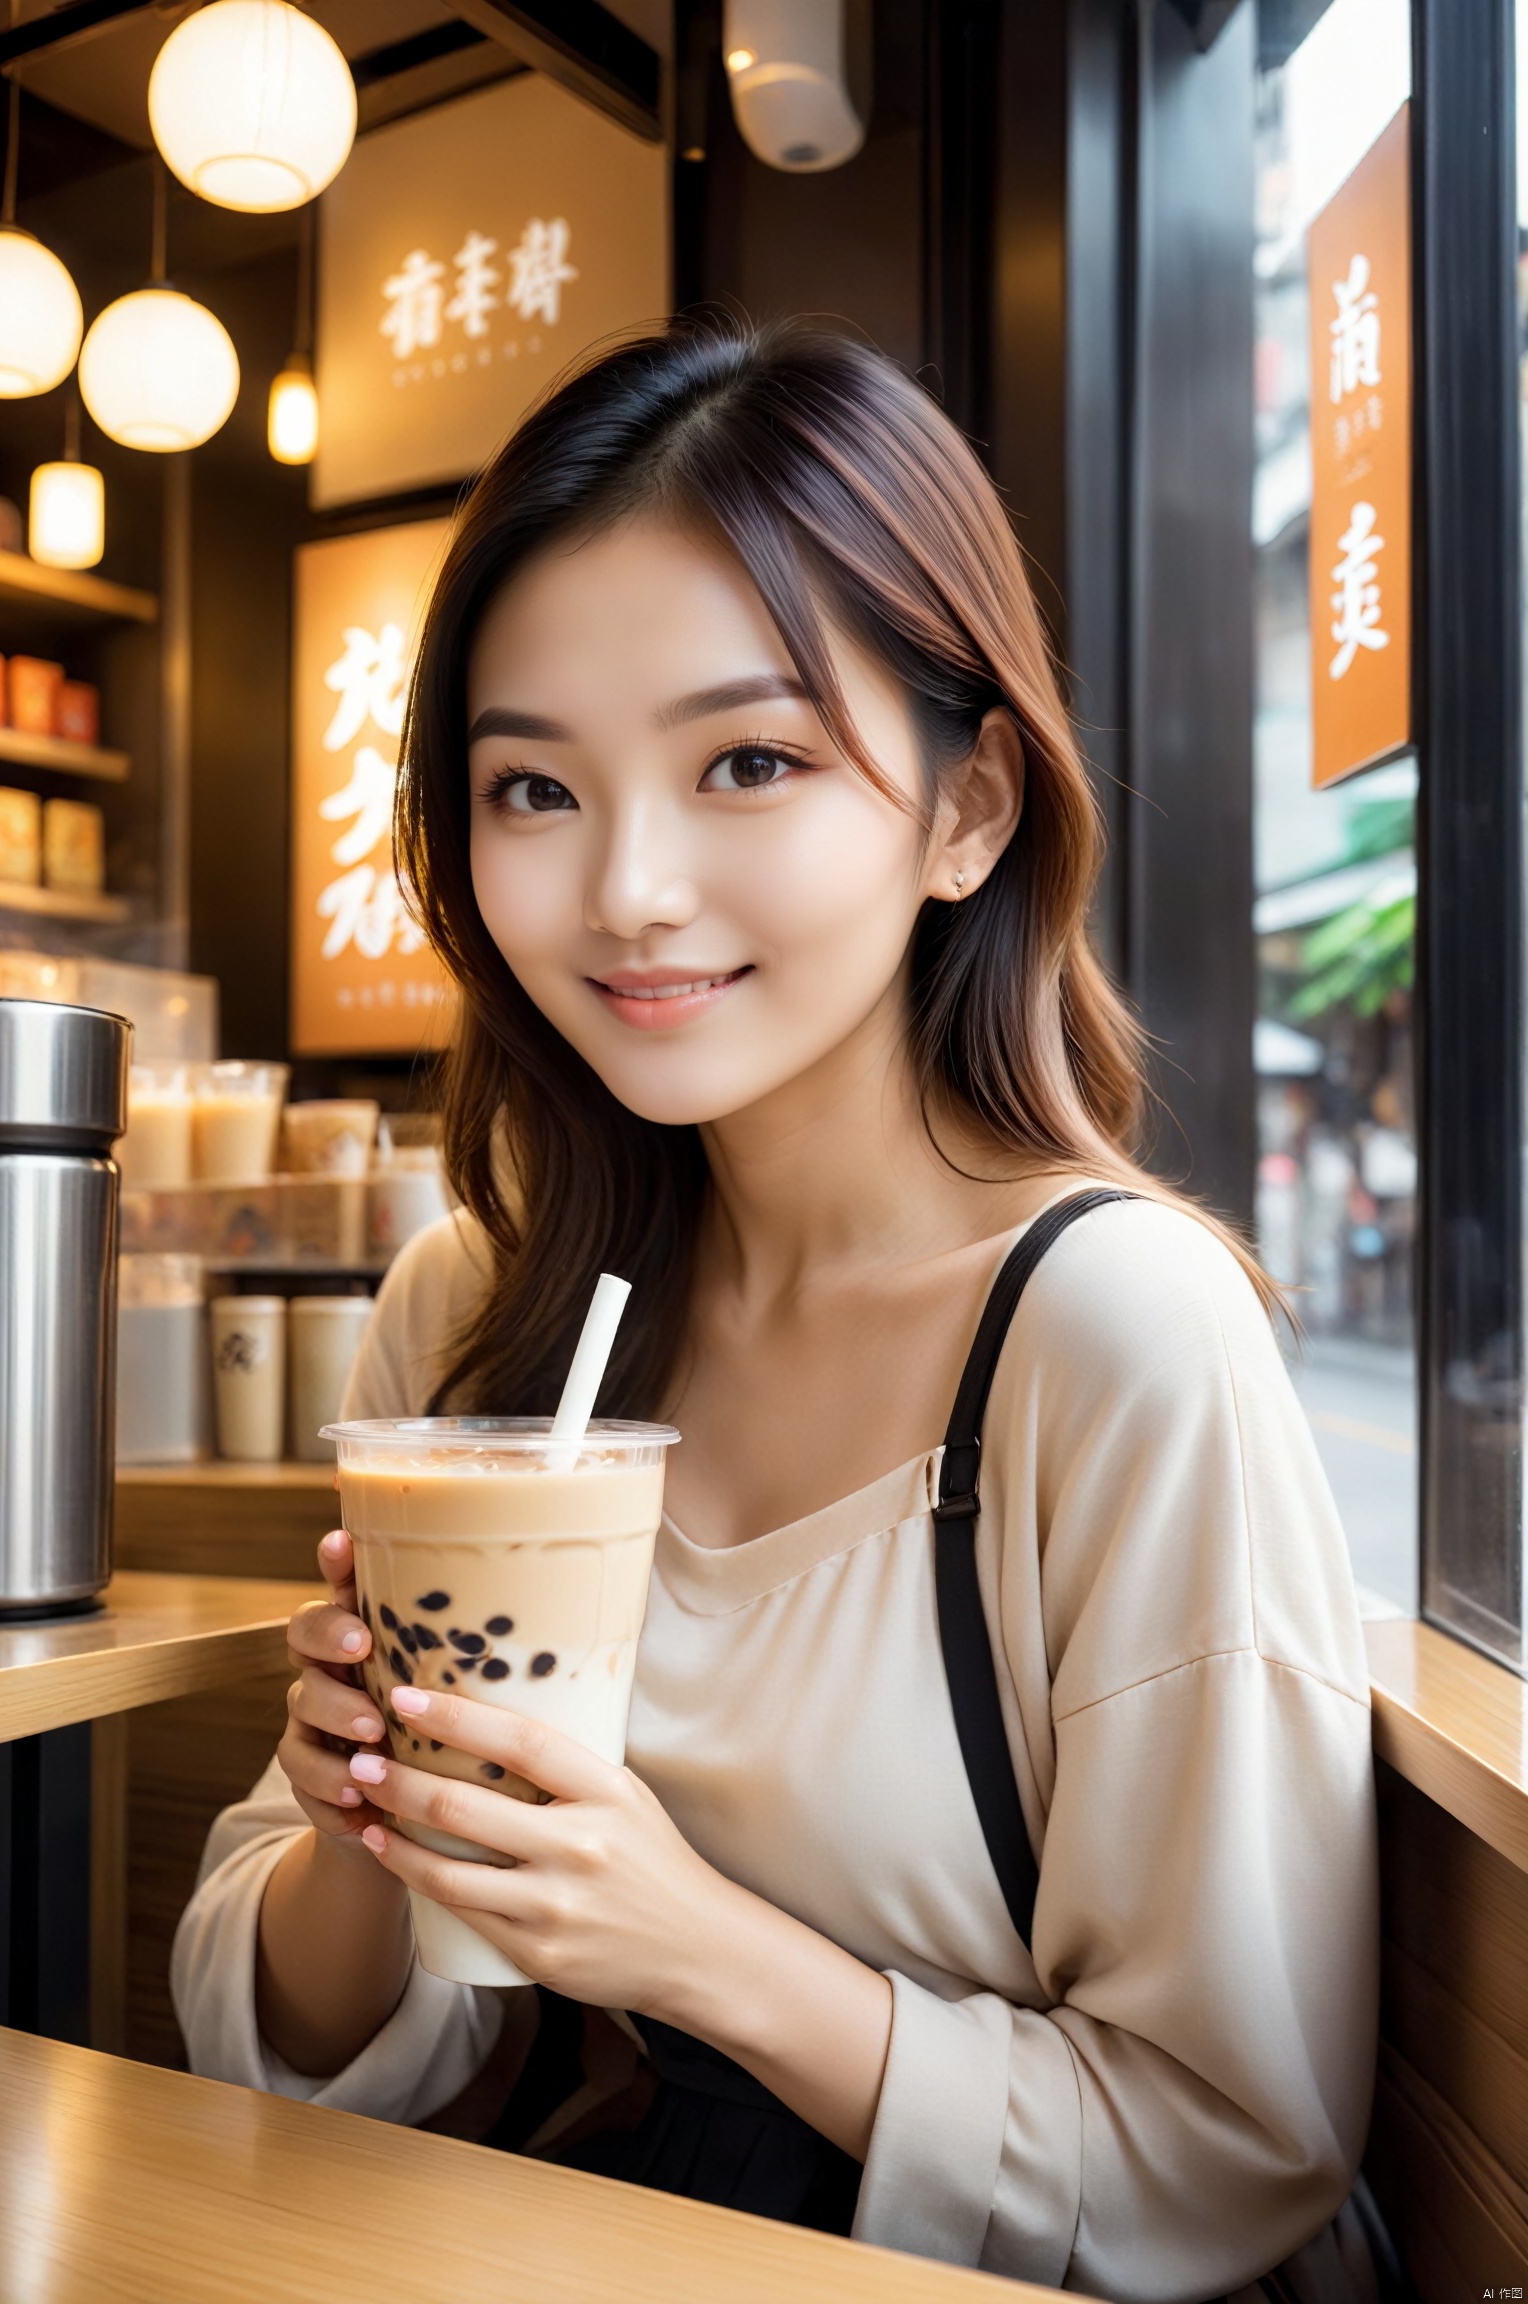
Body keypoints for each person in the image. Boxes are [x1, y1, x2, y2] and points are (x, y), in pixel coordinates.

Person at [174, 324, 1381, 2303]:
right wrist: (354, 1835)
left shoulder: (1113, 1340)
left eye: (749, 761)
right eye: (534, 787)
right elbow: (300, 2072)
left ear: (968, 806)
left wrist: (686, 1943)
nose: (629, 889)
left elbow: (1233, 2149)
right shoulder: (475, 1314)